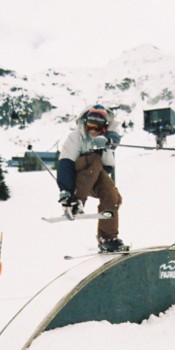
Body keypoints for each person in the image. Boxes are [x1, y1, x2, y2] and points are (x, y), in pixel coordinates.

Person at [55, 104, 129, 253]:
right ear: (85, 124)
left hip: (94, 176)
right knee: (94, 158)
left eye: (97, 127)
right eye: (90, 126)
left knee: (113, 196)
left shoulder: (108, 135)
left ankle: (107, 239)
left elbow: (115, 138)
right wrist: (66, 191)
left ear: (104, 127)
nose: (93, 130)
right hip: (76, 176)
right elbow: (65, 162)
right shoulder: (76, 136)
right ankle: (78, 201)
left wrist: (107, 142)